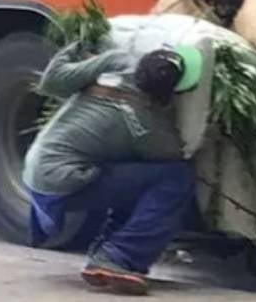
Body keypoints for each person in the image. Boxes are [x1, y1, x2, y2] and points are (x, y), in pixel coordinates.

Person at [24, 40, 203, 295]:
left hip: (36, 166)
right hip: (66, 181)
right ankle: (120, 257)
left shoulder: (115, 62)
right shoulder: (149, 129)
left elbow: (52, 82)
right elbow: (175, 154)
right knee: (175, 177)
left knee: (136, 173)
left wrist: (75, 46)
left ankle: (105, 253)